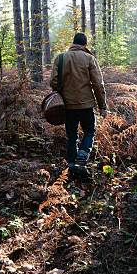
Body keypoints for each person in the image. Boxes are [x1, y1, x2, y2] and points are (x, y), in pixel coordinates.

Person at [50, 32, 107, 177]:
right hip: (86, 105)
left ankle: (71, 165)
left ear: (73, 43)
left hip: (67, 106)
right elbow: (98, 85)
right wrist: (102, 106)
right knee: (89, 131)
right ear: (84, 44)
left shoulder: (60, 58)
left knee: (72, 135)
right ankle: (82, 155)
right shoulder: (89, 59)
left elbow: (53, 82)